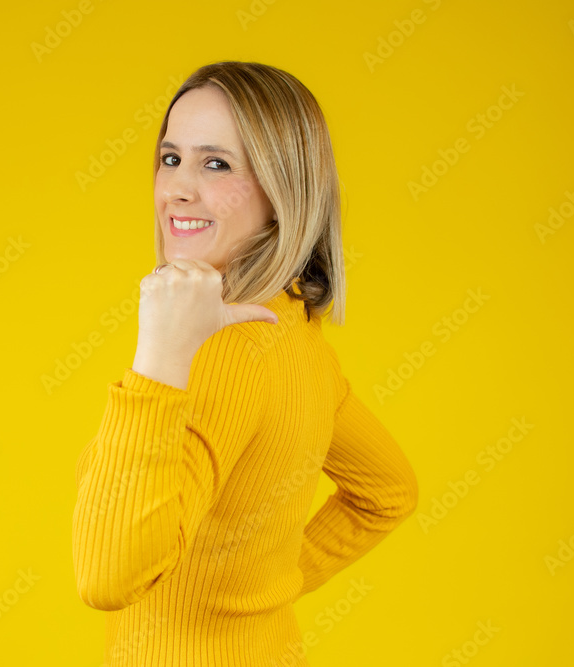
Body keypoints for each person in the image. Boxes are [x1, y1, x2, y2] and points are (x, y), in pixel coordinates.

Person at [72, 60, 419, 666]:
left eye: (217, 164)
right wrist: (256, 592)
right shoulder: (293, 332)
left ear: (283, 189)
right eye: (171, 157)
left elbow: (106, 577)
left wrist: (159, 354)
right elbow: (389, 492)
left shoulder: (216, 347)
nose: (177, 187)